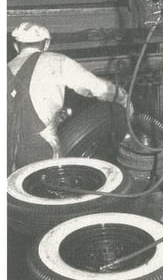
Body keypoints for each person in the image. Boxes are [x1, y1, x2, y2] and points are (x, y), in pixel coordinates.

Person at [7, 22, 131, 173]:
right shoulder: (57, 61)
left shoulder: (6, 68)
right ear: (46, 44)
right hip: (40, 147)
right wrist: (124, 99)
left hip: (9, 150)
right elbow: (97, 88)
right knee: (50, 187)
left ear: (16, 46)